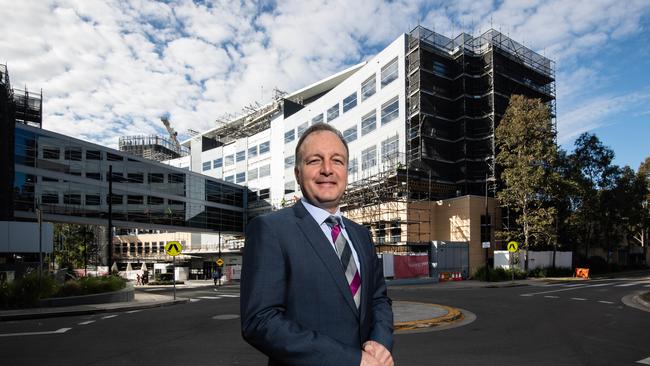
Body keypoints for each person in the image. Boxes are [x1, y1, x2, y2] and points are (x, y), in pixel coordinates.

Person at [241, 123, 394, 366]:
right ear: (298, 173)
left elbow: (379, 300)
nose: (327, 169)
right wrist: (353, 360)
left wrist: (381, 342)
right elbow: (261, 321)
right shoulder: (271, 229)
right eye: (314, 160)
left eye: (337, 160)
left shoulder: (361, 235)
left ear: (346, 170)